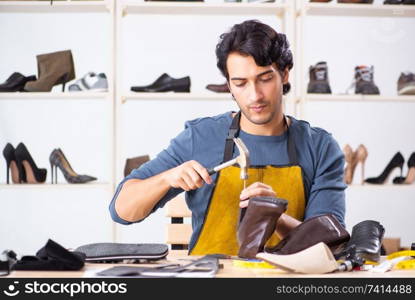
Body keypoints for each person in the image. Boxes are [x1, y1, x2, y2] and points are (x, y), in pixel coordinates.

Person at [109, 20, 346, 255]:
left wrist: (275, 216)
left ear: (284, 75)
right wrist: (166, 179)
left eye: (264, 79)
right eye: (240, 83)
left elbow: (330, 246)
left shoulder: (319, 147)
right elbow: (121, 211)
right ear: (229, 86)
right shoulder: (200, 137)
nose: (255, 95)